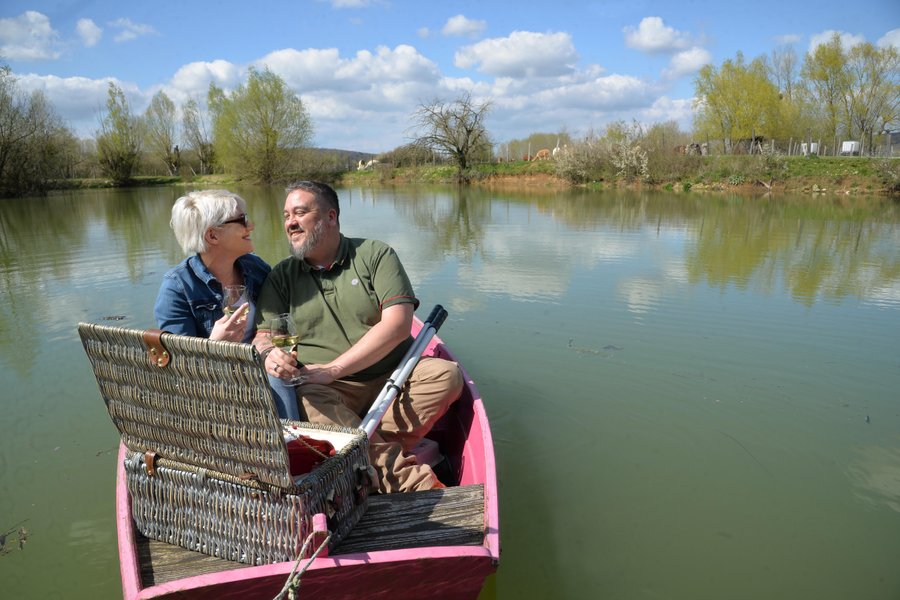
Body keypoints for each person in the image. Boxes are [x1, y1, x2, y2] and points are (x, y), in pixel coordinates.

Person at [253, 181, 463, 493]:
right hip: (327, 391)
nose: (290, 223)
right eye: (286, 216)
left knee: (446, 375)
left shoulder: (374, 254)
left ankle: (351, 449)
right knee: (306, 397)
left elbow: (399, 324)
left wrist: (334, 369)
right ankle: (413, 483)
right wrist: (270, 353)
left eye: (300, 212)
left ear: (330, 217)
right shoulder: (282, 276)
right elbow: (263, 336)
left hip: (395, 376)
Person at [153, 190, 301, 419]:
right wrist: (214, 344)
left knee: (277, 372)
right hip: (214, 386)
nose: (250, 225)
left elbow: (279, 319)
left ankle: (291, 447)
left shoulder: (256, 269)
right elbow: (177, 369)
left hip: (257, 367)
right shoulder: (177, 287)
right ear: (212, 236)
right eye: (241, 220)